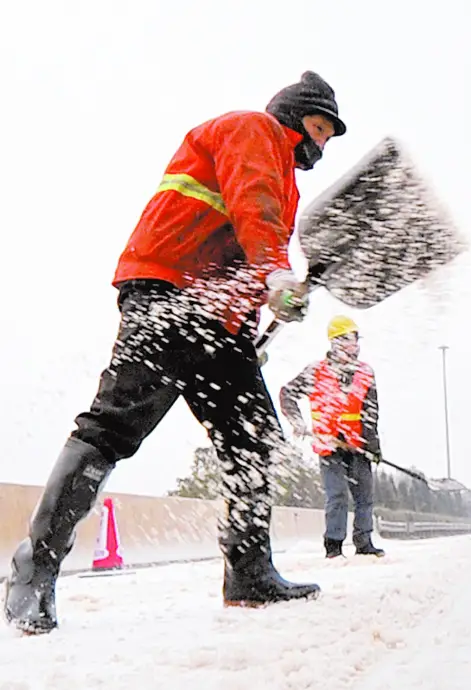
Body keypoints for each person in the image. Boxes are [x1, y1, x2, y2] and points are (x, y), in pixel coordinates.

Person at [3, 71, 347, 635]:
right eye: (318, 127)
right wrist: (280, 274)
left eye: (329, 137)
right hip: (169, 291)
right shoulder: (256, 131)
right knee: (114, 428)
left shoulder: (288, 179)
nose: (321, 145)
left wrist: (247, 329)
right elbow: (251, 206)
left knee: (254, 436)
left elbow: (241, 255)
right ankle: (35, 566)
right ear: (294, 116)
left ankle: (249, 573)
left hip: (217, 318)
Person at [279, 315, 386, 559]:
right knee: (336, 495)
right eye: (351, 339)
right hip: (328, 445)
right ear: (336, 342)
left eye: (356, 340)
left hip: (358, 446)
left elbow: (371, 413)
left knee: (364, 498)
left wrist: (374, 447)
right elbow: (288, 394)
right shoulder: (315, 371)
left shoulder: (366, 373)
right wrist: (297, 422)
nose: (355, 345)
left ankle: (364, 542)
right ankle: (333, 546)